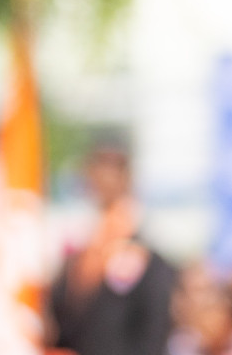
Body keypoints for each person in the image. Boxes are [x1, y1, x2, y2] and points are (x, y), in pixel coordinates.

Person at [47, 142, 176, 355]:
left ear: (127, 179)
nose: (101, 179)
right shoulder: (78, 251)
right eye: (96, 169)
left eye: (112, 169)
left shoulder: (147, 259)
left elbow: (154, 330)